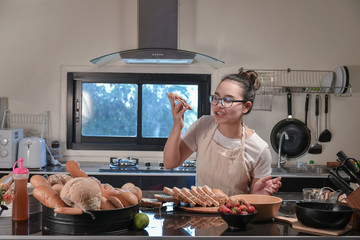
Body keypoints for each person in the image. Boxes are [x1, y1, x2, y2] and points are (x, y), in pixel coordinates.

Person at [163, 68, 281, 196]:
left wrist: (258, 193)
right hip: (201, 212)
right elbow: (170, 163)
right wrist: (177, 125)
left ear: (246, 107)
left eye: (228, 100)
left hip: (234, 214)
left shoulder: (259, 149)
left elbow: (256, 201)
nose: (218, 104)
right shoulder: (203, 126)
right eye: (216, 98)